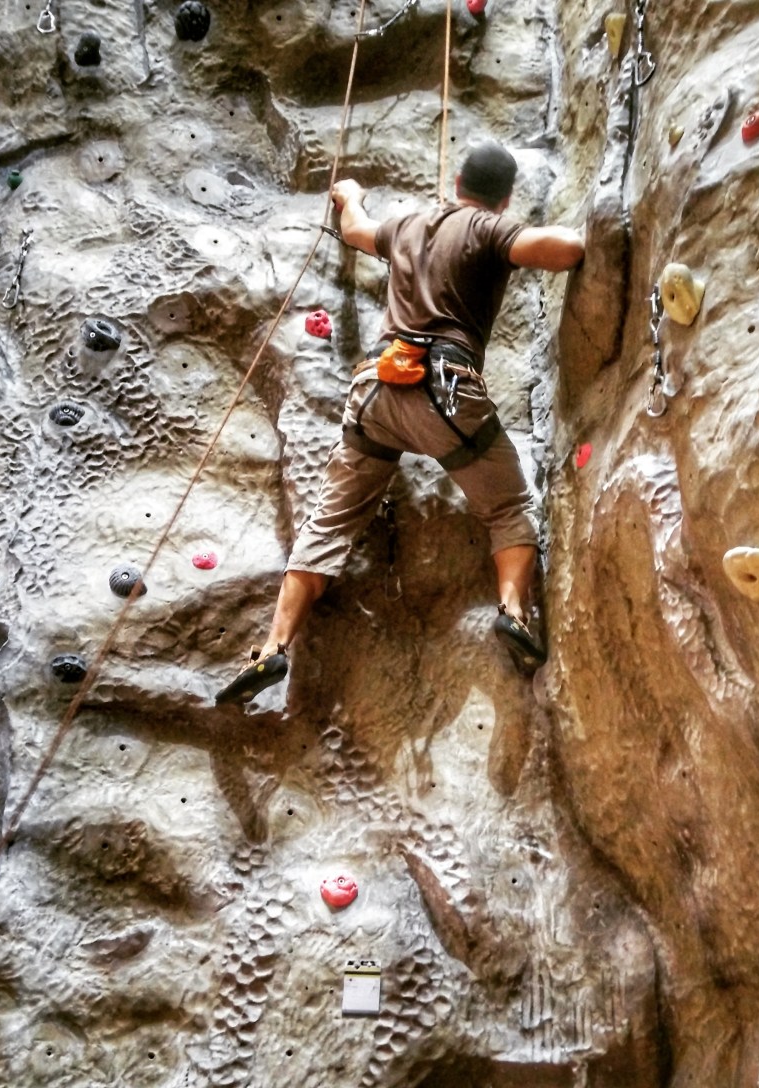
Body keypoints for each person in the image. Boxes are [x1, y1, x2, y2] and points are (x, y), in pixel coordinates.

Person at [216, 140, 585, 704]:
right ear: (504, 198)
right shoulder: (488, 228)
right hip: (445, 390)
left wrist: (349, 195)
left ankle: (273, 648)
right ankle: (514, 611)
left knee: (328, 525)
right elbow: (565, 250)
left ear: (457, 179)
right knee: (508, 505)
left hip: (375, 393)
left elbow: (358, 230)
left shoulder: (408, 222)